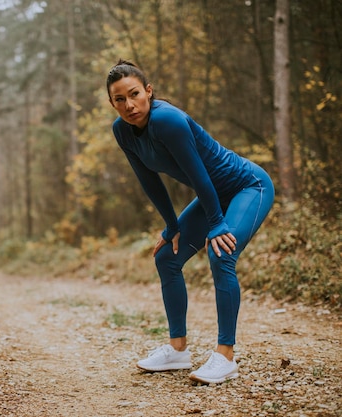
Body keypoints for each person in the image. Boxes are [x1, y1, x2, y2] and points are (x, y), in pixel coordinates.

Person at [106, 59, 275, 384]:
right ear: (111, 103)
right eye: (120, 99)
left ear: (149, 91)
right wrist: (171, 227)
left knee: (221, 251)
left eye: (135, 94)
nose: (129, 105)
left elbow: (200, 176)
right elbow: (149, 180)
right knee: (166, 257)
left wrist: (217, 224)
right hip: (213, 193)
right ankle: (177, 349)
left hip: (247, 186)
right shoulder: (122, 132)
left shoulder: (168, 121)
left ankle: (225, 356)